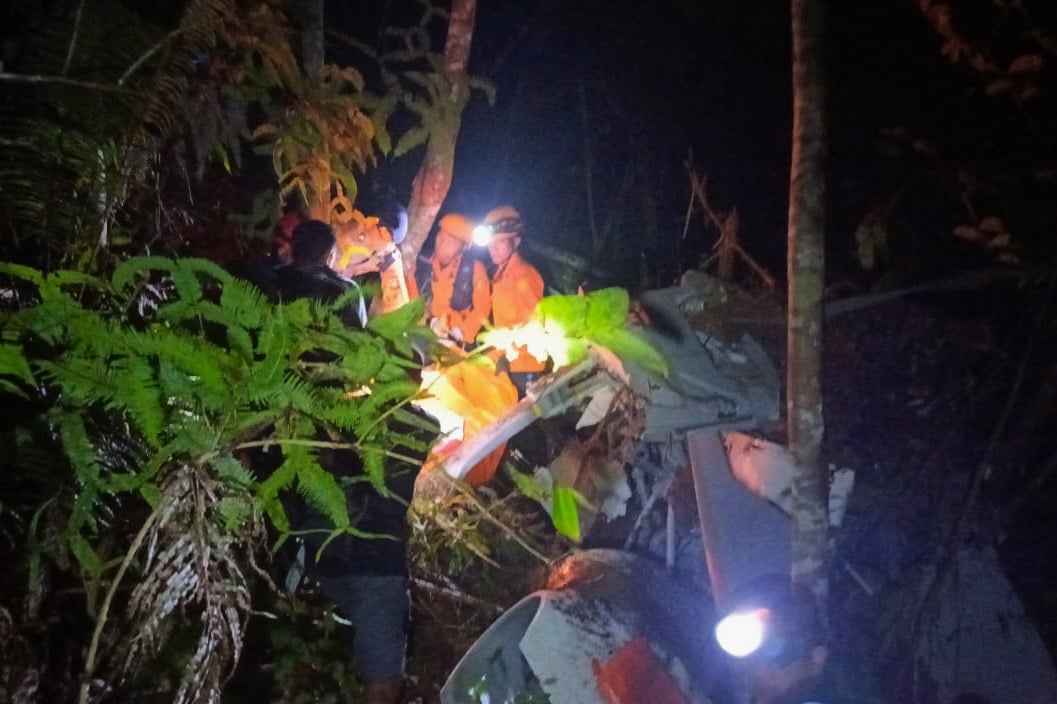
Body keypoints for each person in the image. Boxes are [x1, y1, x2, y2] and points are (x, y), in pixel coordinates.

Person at [266, 219, 434, 704]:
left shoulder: (272, 287)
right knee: (382, 678)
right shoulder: (421, 426)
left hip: (324, 546)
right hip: (376, 567)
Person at [479, 205, 546, 396]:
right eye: (490, 243)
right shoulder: (501, 274)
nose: (492, 249)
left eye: (499, 242)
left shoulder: (525, 276)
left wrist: (503, 355)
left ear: (515, 241)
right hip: (507, 359)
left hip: (523, 367)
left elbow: (533, 329)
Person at [417, 213, 491, 347]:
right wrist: (430, 321)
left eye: (450, 240)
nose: (442, 243)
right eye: (441, 236)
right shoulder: (424, 261)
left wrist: (462, 333)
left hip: (455, 339)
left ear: (463, 247)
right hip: (424, 328)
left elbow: (483, 307)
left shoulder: (474, 269)